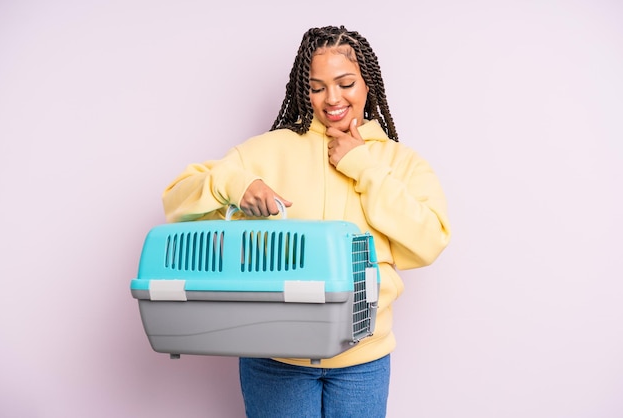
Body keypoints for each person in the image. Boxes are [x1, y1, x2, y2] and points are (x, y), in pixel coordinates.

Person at [162, 25, 451, 418]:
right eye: (317, 87)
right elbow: (175, 199)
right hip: (274, 356)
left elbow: (430, 238)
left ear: (368, 83)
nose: (332, 98)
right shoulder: (269, 150)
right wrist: (236, 184)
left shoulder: (399, 162)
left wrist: (362, 167)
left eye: (345, 83)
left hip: (363, 359)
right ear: (303, 89)